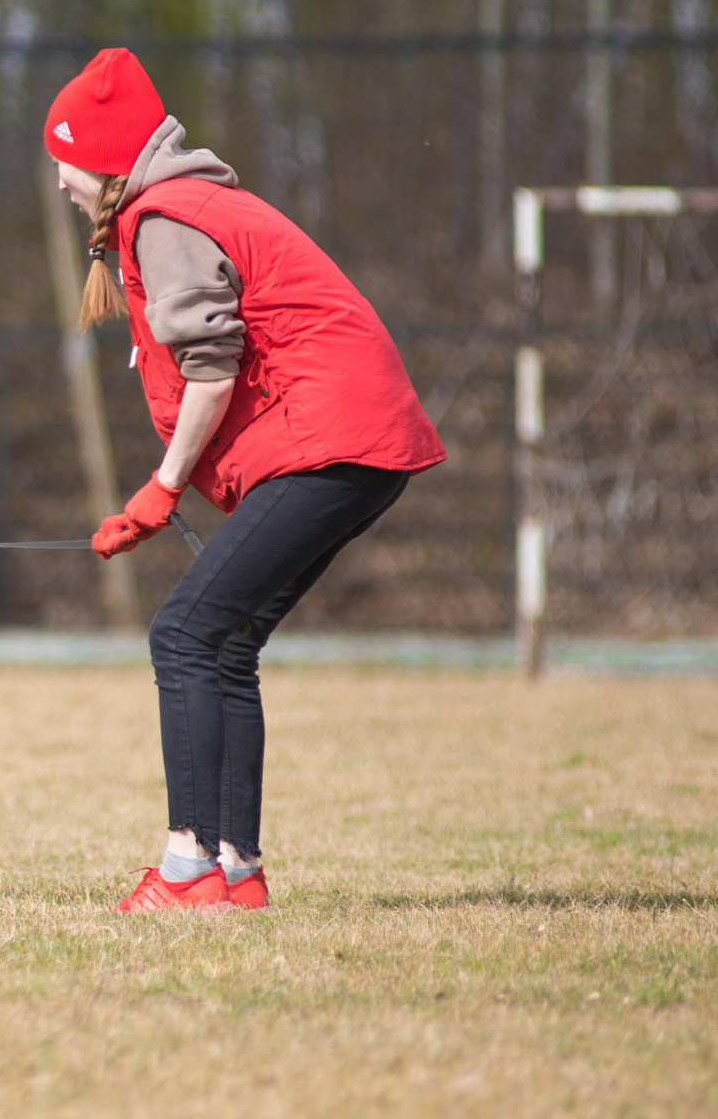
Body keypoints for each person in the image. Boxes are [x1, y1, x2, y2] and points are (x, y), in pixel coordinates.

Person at [45, 48, 445, 913]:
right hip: (354, 441)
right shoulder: (180, 207)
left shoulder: (165, 218)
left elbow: (213, 365)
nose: (62, 182)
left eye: (66, 161)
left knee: (183, 634)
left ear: (106, 159)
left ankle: (187, 867)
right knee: (223, 642)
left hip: (334, 441)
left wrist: (161, 486)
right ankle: (236, 870)